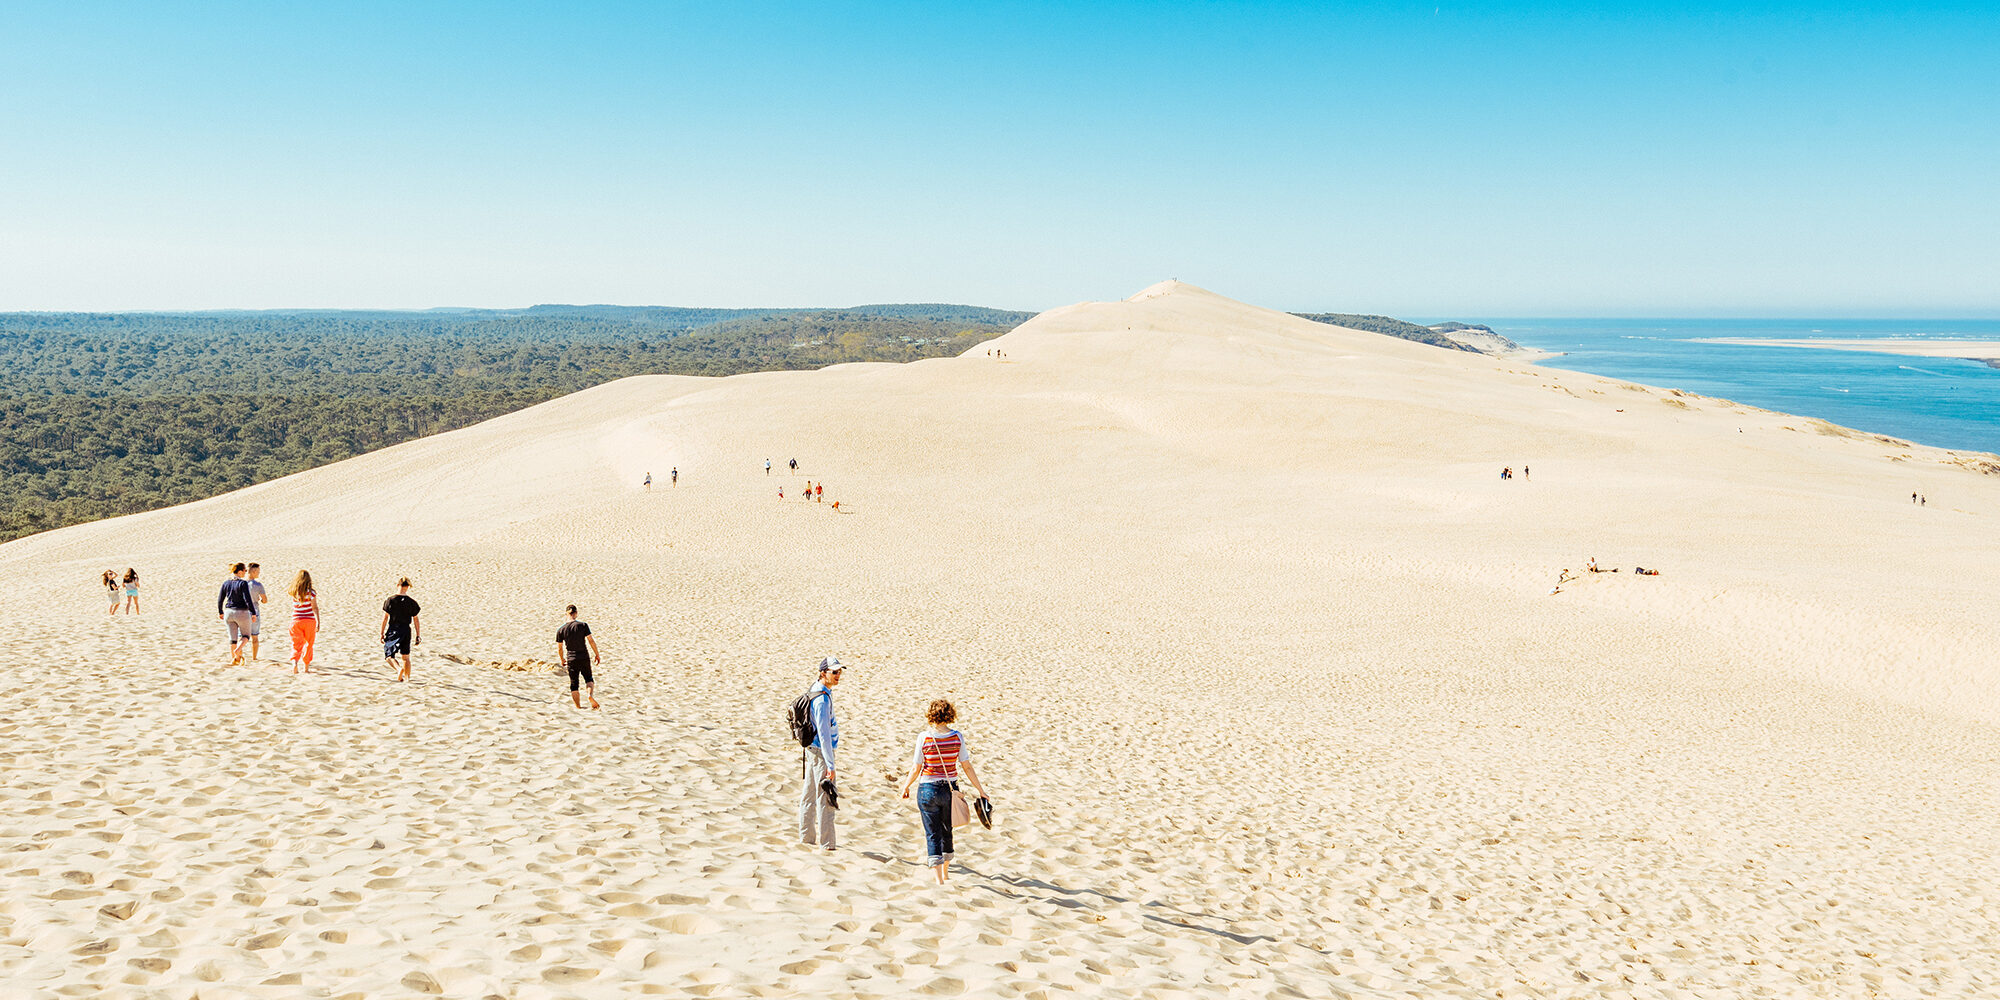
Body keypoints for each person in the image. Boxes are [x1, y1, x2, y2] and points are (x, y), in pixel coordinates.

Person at [899, 698, 990, 884]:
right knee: (947, 830)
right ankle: (946, 873)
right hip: (950, 789)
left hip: (927, 789)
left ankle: (939, 879)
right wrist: (981, 790)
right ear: (949, 714)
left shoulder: (924, 737)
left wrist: (906, 785)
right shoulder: (957, 737)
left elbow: (916, 767)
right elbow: (966, 766)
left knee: (932, 833)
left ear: (931, 715)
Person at [800, 656, 843, 851]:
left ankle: (806, 838)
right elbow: (824, 735)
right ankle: (827, 844)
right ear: (823, 673)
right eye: (834, 672)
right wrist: (831, 765)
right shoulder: (822, 700)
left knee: (809, 794)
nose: (838, 675)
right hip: (819, 752)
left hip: (812, 751)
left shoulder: (815, 689)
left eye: (839, 671)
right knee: (826, 798)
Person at [555, 604, 601, 709]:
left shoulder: (561, 630)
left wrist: (562, 659)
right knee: (588, 679)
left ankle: (578, 707)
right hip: (584, 656)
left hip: (571, 659)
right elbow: (591, 641)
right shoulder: (583, 625)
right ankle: (590, 695)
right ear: (576, 614)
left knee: (574, 683)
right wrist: (597, 654)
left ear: (566, 614)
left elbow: (560, 648)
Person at [379, 577, 421, 682]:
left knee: (388, 655)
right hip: (406, 630)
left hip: (394, 629)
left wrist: (381, 633)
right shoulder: (412, 602)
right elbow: (416, 620)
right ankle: (407, 679)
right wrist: (418, 635)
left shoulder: (391, 600)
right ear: (407, 587)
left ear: (398, 585)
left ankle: (398, 669)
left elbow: (385, 618)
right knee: (406, 657)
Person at [216, 563, 258, 665]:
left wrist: (220, 611)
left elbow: (220, 599)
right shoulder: (243, 583)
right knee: (246, 636)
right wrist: (253, 612)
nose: (245, 573)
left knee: (232, 639)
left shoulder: (226, 583)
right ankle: (238, 650)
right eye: (244, 571)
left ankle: (236, 659)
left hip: (228, 612)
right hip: (241, 612)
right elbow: (247, 599)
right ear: (239, 572)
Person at [288, 570, 320, 675]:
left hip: (296, 620)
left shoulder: (293, 591)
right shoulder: (311, 593)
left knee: (296, 644)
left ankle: (295, 664)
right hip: (309, 620)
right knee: (309, 644)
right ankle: (306, 667)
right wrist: (318, 621)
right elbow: (315, 608)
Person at [245, 563, 269, 660]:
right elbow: (265, 600)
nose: (259, 573)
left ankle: (239, 656)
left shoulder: (241, 583)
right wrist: (261, 600)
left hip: (242, 611)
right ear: (253, 571)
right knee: (255, 637)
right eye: (258, 571)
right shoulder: (258, 585)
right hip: (254, 610)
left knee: (241, 636)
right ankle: (254, 657)